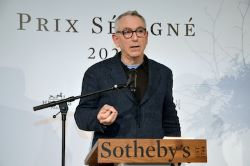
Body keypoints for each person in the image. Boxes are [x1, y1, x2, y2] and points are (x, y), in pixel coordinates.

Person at [74, 10, 181, 146]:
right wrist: (98, 117)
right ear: (116, 39)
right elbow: (81, 116)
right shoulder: (97, 72)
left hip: (154, 156)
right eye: (127, 32)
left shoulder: (163, 73)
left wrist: (176, 155)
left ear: (146, 36)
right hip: (111, 156)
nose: (135, 38)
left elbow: (170, 119)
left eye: (140, 31)